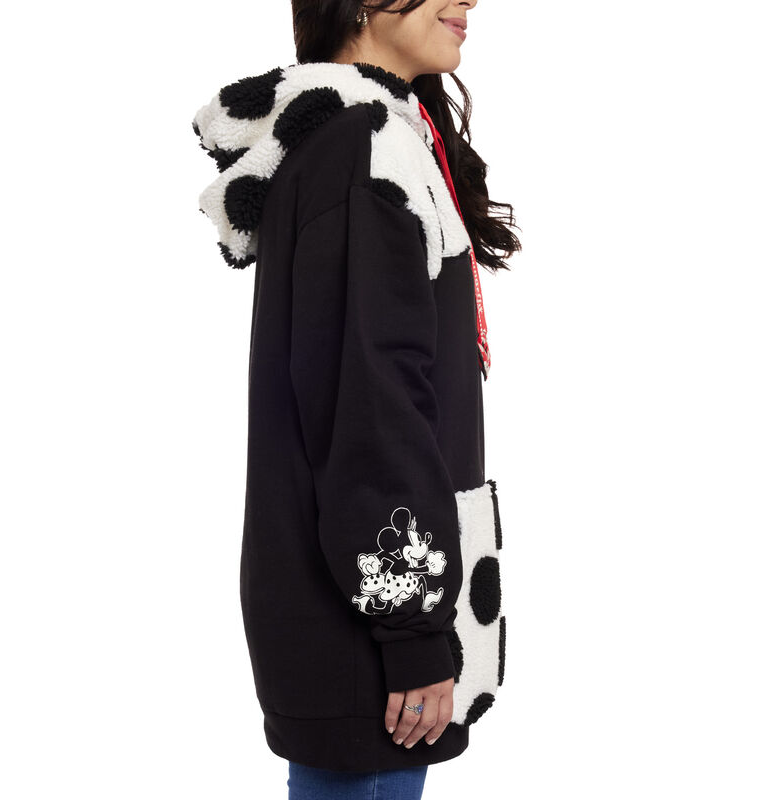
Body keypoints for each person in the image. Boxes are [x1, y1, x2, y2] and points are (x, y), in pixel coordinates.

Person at [192, 0, 521, 796]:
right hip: (366, 634)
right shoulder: (364, 147)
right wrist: (412, 631)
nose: (470, 1)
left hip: (360, 618)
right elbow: (370, 409)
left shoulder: (381, 137)